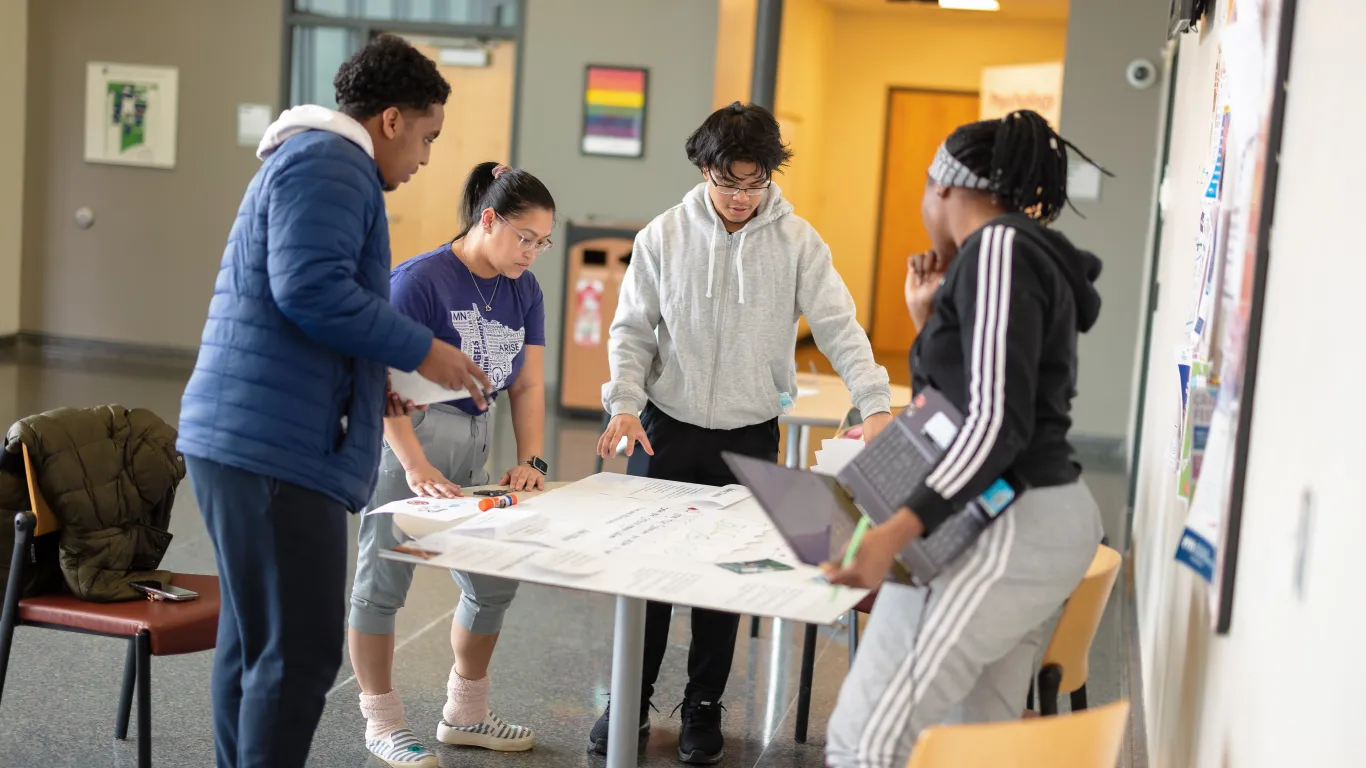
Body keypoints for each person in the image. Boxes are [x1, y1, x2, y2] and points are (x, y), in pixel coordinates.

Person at [176, 35, 491, 768]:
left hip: (250, 435)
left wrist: (367, 380)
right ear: (389, 121)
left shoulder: (319, 161)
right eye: (426, 137)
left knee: (256, 643)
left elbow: (297, 306)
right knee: (299, 653)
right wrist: (420, 349)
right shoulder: (331, 164)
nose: (424, 159)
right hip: (272, 448)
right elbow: (311, 289)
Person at [594, 101, 895, 764]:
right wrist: (622, 402)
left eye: (754, 184)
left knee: (725, 578)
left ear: (770, 177)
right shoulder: (663, 236)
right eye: (728, 183)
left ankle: (702, 705)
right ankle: (630, 700)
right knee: (645, 570)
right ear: (705, 170)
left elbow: (841, 327)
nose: (740, 197)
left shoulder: (798, 244)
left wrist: (874, 401)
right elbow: (632, 331)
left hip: (750, 432)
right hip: (663, 429)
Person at [823, 110, 1108, 768]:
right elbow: (977, 403)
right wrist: (929, 323)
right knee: (971, 740)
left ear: (943, 188)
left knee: (866, 742)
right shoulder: (1014, 255)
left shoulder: (1001, 248)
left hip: (1007, 517)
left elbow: (993, 426)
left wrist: (893, 532)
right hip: (1030, 516)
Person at [347, 162, 555, 766]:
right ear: (488, 219)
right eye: (525, 238)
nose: (532, 253)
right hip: (408, 436)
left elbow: (529, 383)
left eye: (542, 243)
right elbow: (377, 377)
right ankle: (382, 723)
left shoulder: (525, 289)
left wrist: (532, 459)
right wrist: (412, 463)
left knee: (493, 580)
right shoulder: (420, 281)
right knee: (381, 586)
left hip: (475, 437)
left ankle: (465, 713)